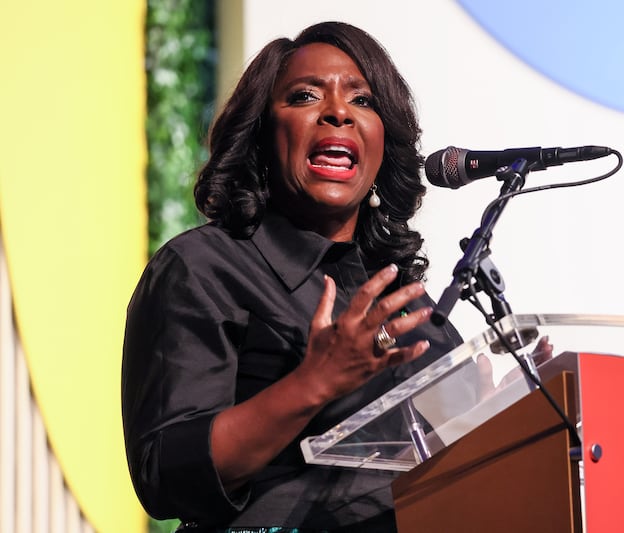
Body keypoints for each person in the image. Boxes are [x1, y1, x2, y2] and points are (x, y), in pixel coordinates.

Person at [121, 21, 467, 532]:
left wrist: (520, 410)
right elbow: (165, 474)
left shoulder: (411, 309)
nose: (338, 112)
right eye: (305, 95)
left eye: (363, 101)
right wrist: (315, 383)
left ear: (382, 145)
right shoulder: (204, 269)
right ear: (259, 135)